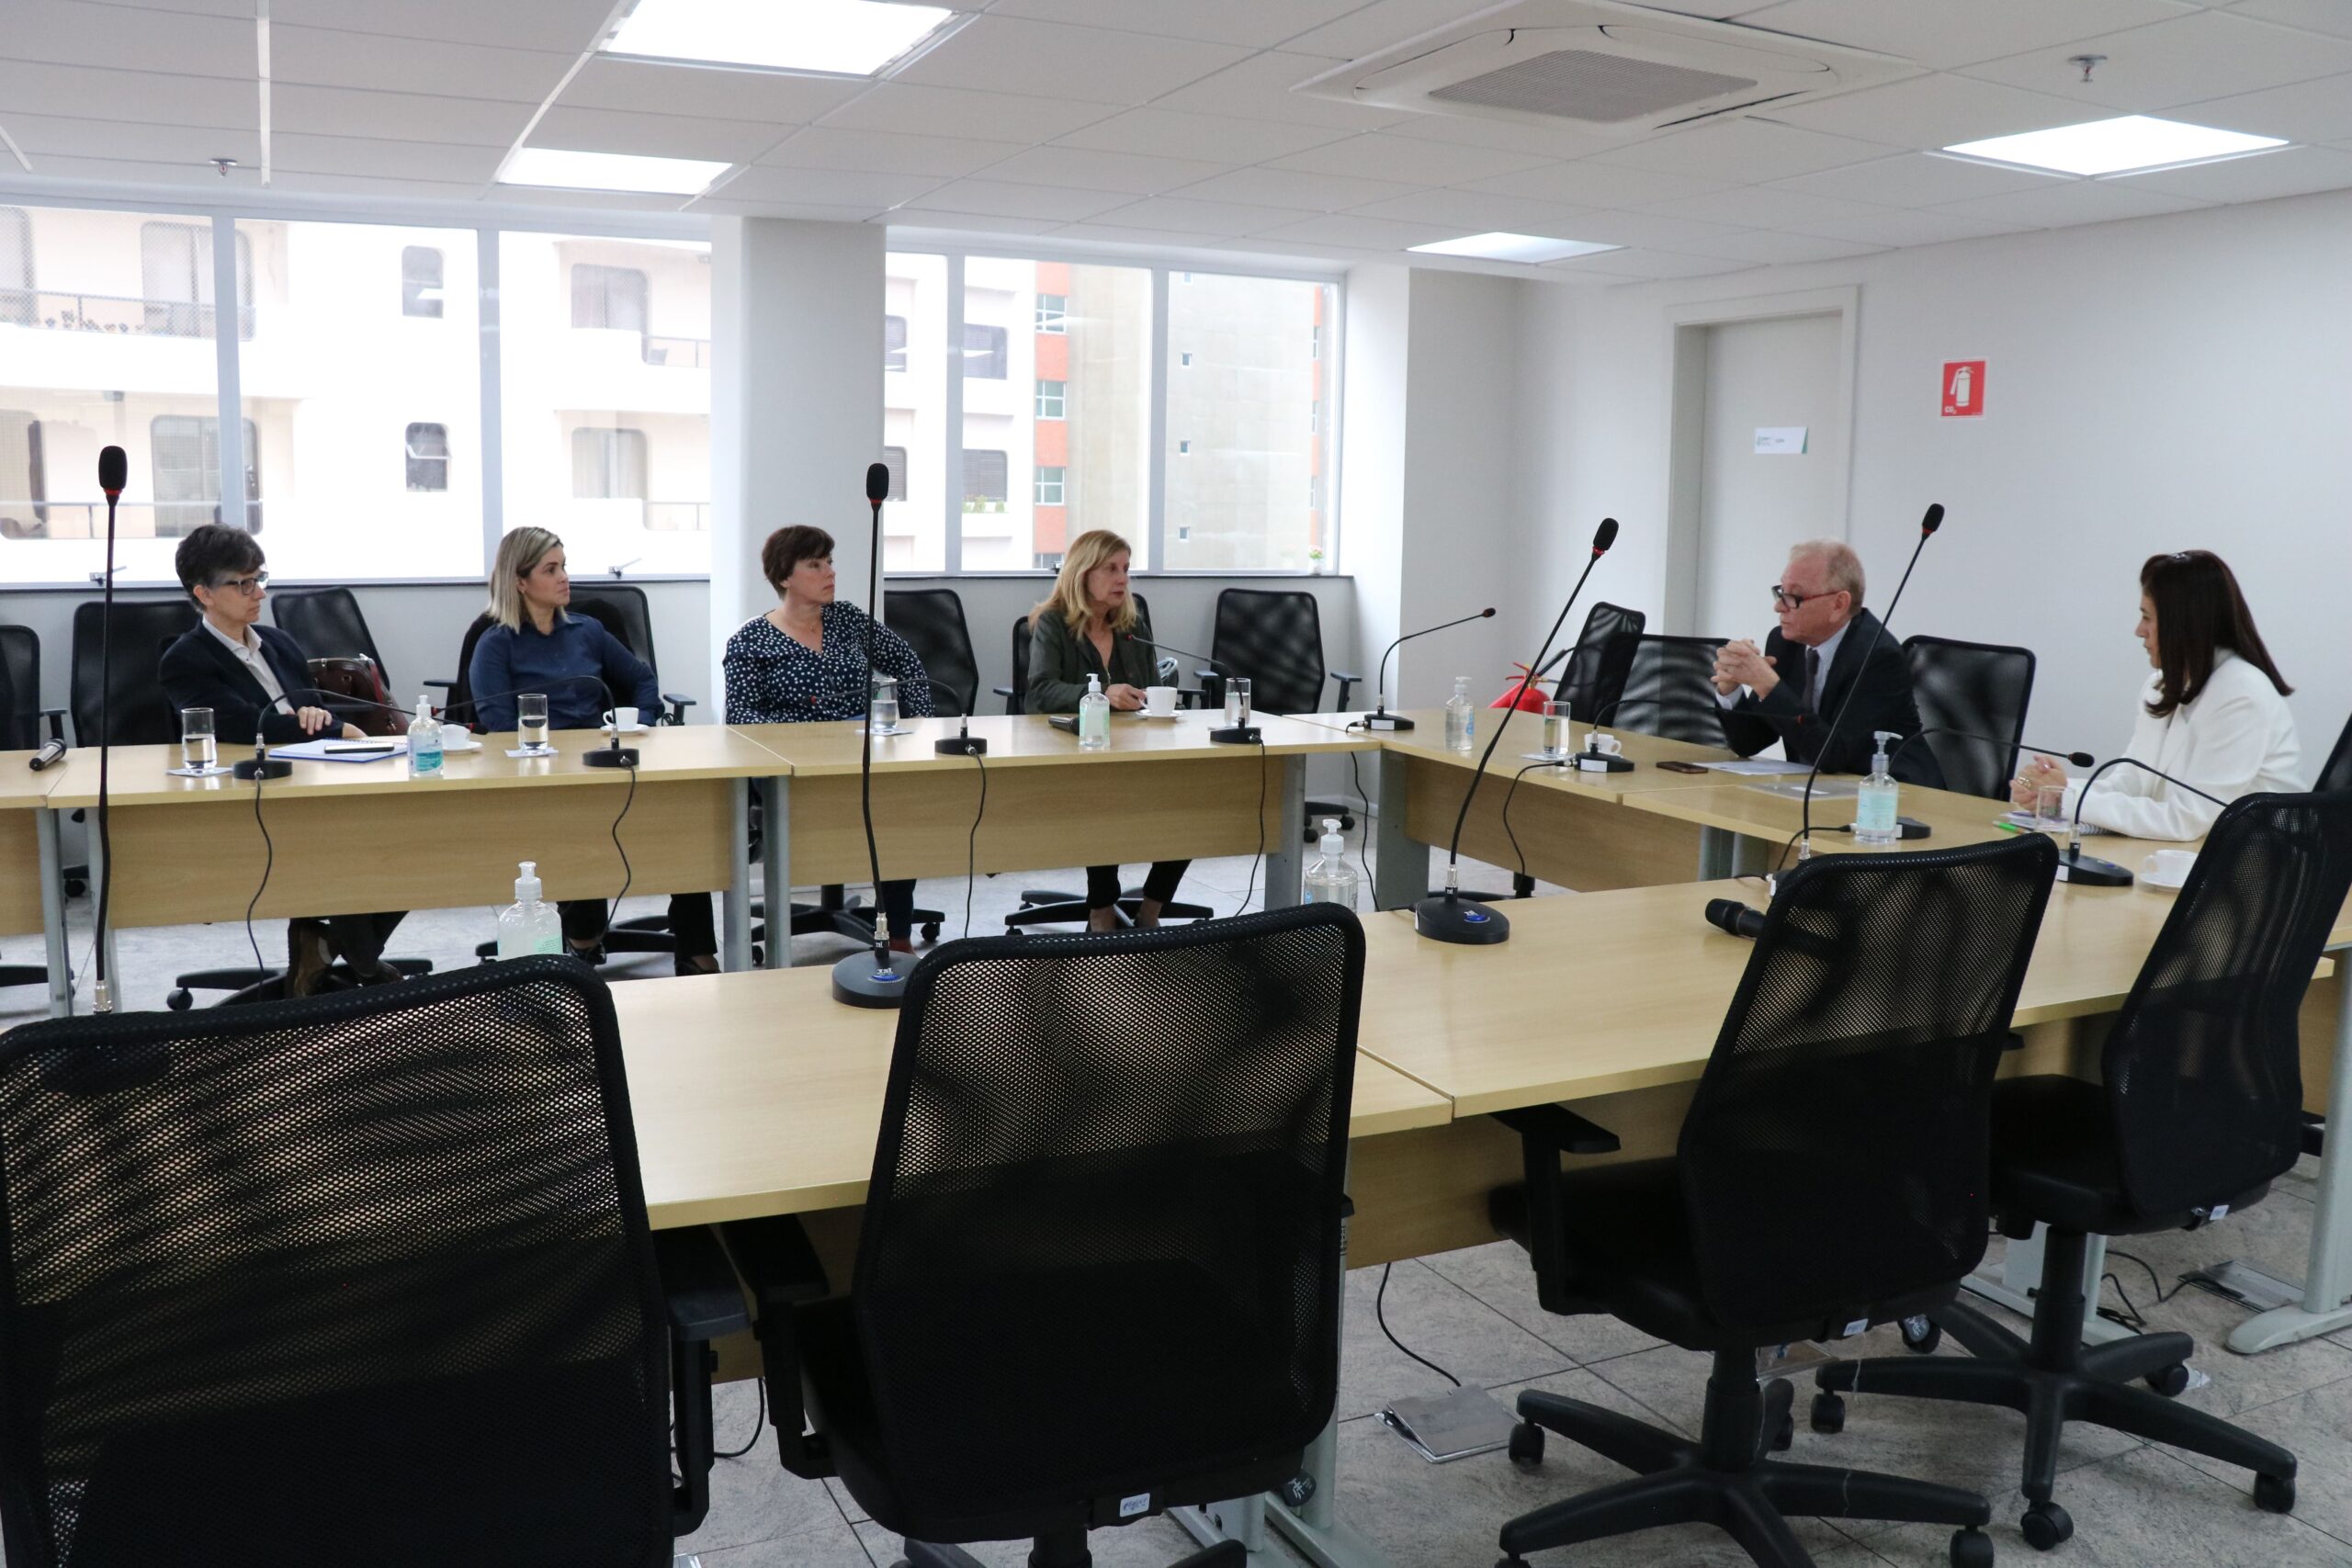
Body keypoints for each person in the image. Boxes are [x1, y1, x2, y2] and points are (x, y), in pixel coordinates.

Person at [157, 524, 406, 997]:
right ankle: (364, 964)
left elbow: (308, 713)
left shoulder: (278, 643)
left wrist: (323, 720)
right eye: (243, 583)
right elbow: (241, 726)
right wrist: (332, 726)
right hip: (256, 797)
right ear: (203, 593)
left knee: (411, 831)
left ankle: (333, 946)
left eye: (260, 578)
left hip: (317, 778)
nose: (259, 593)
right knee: (353, 843)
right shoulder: (185, 659)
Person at [470, 527, 718, 974]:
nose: (566, 577)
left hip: (607, 760)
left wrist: (640, 721)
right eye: (552, 569)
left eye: (564, 565)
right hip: (545, 777)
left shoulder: (588, 630)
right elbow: (497, 724)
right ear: (520, 581)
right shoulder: (495, 644)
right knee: (583, 826)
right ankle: (583, 936)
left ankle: (697, 954)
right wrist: (552, 751)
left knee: (687, 823)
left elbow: (642, 680)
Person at [723, 525, 932, 953]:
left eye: (830, 562)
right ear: (784, 576)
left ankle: (897, 935)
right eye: (815, 564)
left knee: (902, 815)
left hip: (862, 757)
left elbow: (906, 661)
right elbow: (739, 716)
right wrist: (798, 739)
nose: (830, 573)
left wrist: (920, 724)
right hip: (792, 770)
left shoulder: (847, 619)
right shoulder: (751, 641)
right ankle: (781, 936)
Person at [2013, 550, 2302, 840]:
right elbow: (2133, 782)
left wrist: (2067, 799)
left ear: (2183, 624)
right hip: (2196, 854)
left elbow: (2186, 820)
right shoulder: (2161, 684)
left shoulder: (2241, 695)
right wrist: (2053, 792)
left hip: (2256, 862)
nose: (2139, 631)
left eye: (2147, 618)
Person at [1025, 528, 1190, 931]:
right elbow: (1041, 692)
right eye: (1112, 569)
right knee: (1104, 798)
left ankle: (1150, 911)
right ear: (1084, 573)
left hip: (1134, 749)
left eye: (1126, 569)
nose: (1123, 579)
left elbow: (1151, 686)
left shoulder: (1132, 626)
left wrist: (1157, 701)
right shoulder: (1053, 623)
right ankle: (1100, 910)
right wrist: (1100, 695)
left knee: (1192, 801)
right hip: (1074, 754)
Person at [1712, 538, 1946, 787]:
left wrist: (1767, 684)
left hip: (1894, 797)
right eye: (1781, 591)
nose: (1779, 606)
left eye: (1795, 597)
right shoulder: (1785, 643)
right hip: (1821, 790)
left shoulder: (1877, 657)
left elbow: (1835, 755)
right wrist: (1731, 689)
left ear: (1838, 604)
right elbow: (1750, 742)